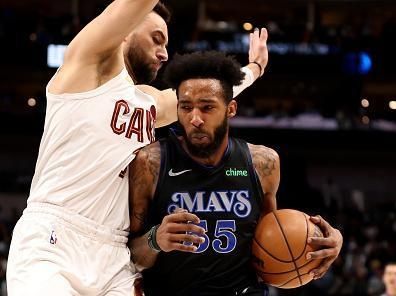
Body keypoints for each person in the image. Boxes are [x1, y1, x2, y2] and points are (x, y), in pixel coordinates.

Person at [6, 0, 268, 295]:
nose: (165, 53)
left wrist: (255, 68)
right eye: (156, 38)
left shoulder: (149, 103)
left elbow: (211, 91)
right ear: (126, 31)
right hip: (55, 243)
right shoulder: (87, 65)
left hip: (116, 256)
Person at [128, 51, 343, 296]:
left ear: (231, 109)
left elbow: (274, 240)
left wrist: (328, 240)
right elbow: (130, 256)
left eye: (207, 107)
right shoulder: (150, 162)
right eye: (186, 107)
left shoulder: (263, 163)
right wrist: (155, 239)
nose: (195, 118)